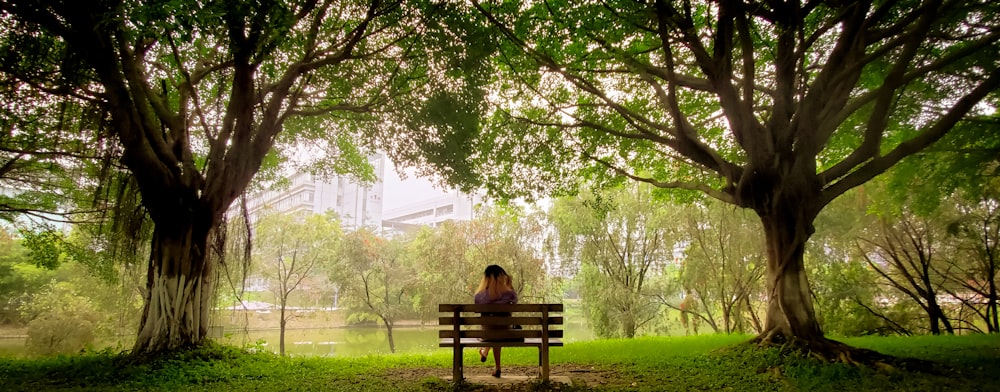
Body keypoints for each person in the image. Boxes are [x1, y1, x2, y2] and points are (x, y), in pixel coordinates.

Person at [474, 264, 518, 378]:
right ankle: (496, 366)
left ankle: (485, 353)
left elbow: (476, 306)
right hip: (505, 333)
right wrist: (509, 285)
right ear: (500, 278)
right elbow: (515, 300)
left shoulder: (479, 296)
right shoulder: (509, 294)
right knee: (498, 330)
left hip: (487, 334)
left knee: (492, 330)